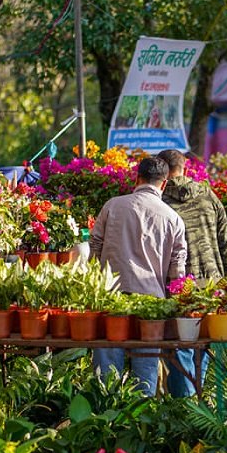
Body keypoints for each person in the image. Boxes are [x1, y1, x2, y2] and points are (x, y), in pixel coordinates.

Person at [89, 157, 187, 395]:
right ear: (164, 184)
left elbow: (94, 249)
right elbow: (177, 271)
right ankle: (140, 424)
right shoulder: (173, 218)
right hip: (151, 305)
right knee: (145, 370)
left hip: (111, 298)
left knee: (107, 369)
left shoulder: (112, 206)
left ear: (136, 178)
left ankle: (106, 419)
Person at [158, 149, 227, 397]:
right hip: (212, 282)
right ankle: (198, 403)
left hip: (178, 284)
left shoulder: (160, 202)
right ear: (186, 169)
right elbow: (225, 241)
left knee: (179, 347)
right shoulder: (208, 196)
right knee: (204, 344)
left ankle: (185, 406)